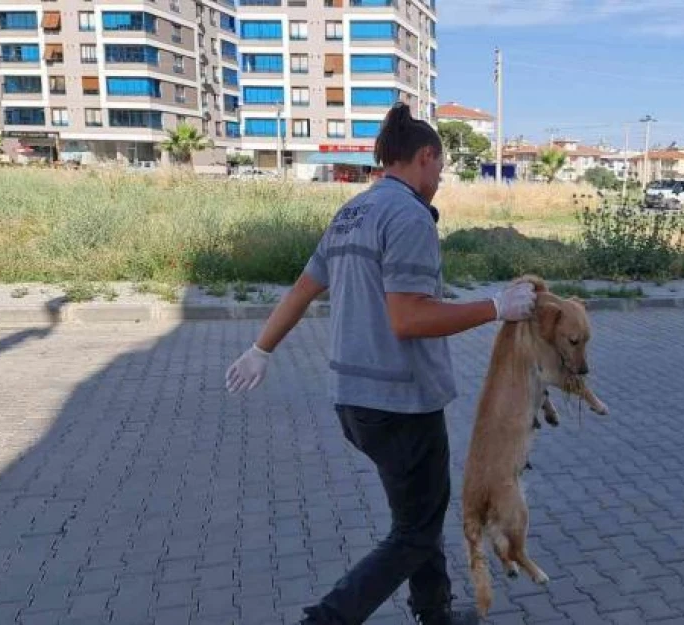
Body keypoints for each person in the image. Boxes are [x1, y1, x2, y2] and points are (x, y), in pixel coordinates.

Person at [225, 102, 536, 625]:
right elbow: (409, 319)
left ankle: (433, 614)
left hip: (354, 402)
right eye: (439, 168)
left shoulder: (351, 213)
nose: (440, 178)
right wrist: (495, 308)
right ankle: (326, 619)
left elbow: (303, 289)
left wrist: (262, 348)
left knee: (418, 518)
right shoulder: (409, 216)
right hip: (401, 403)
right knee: (415, 529)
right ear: (424, 156)